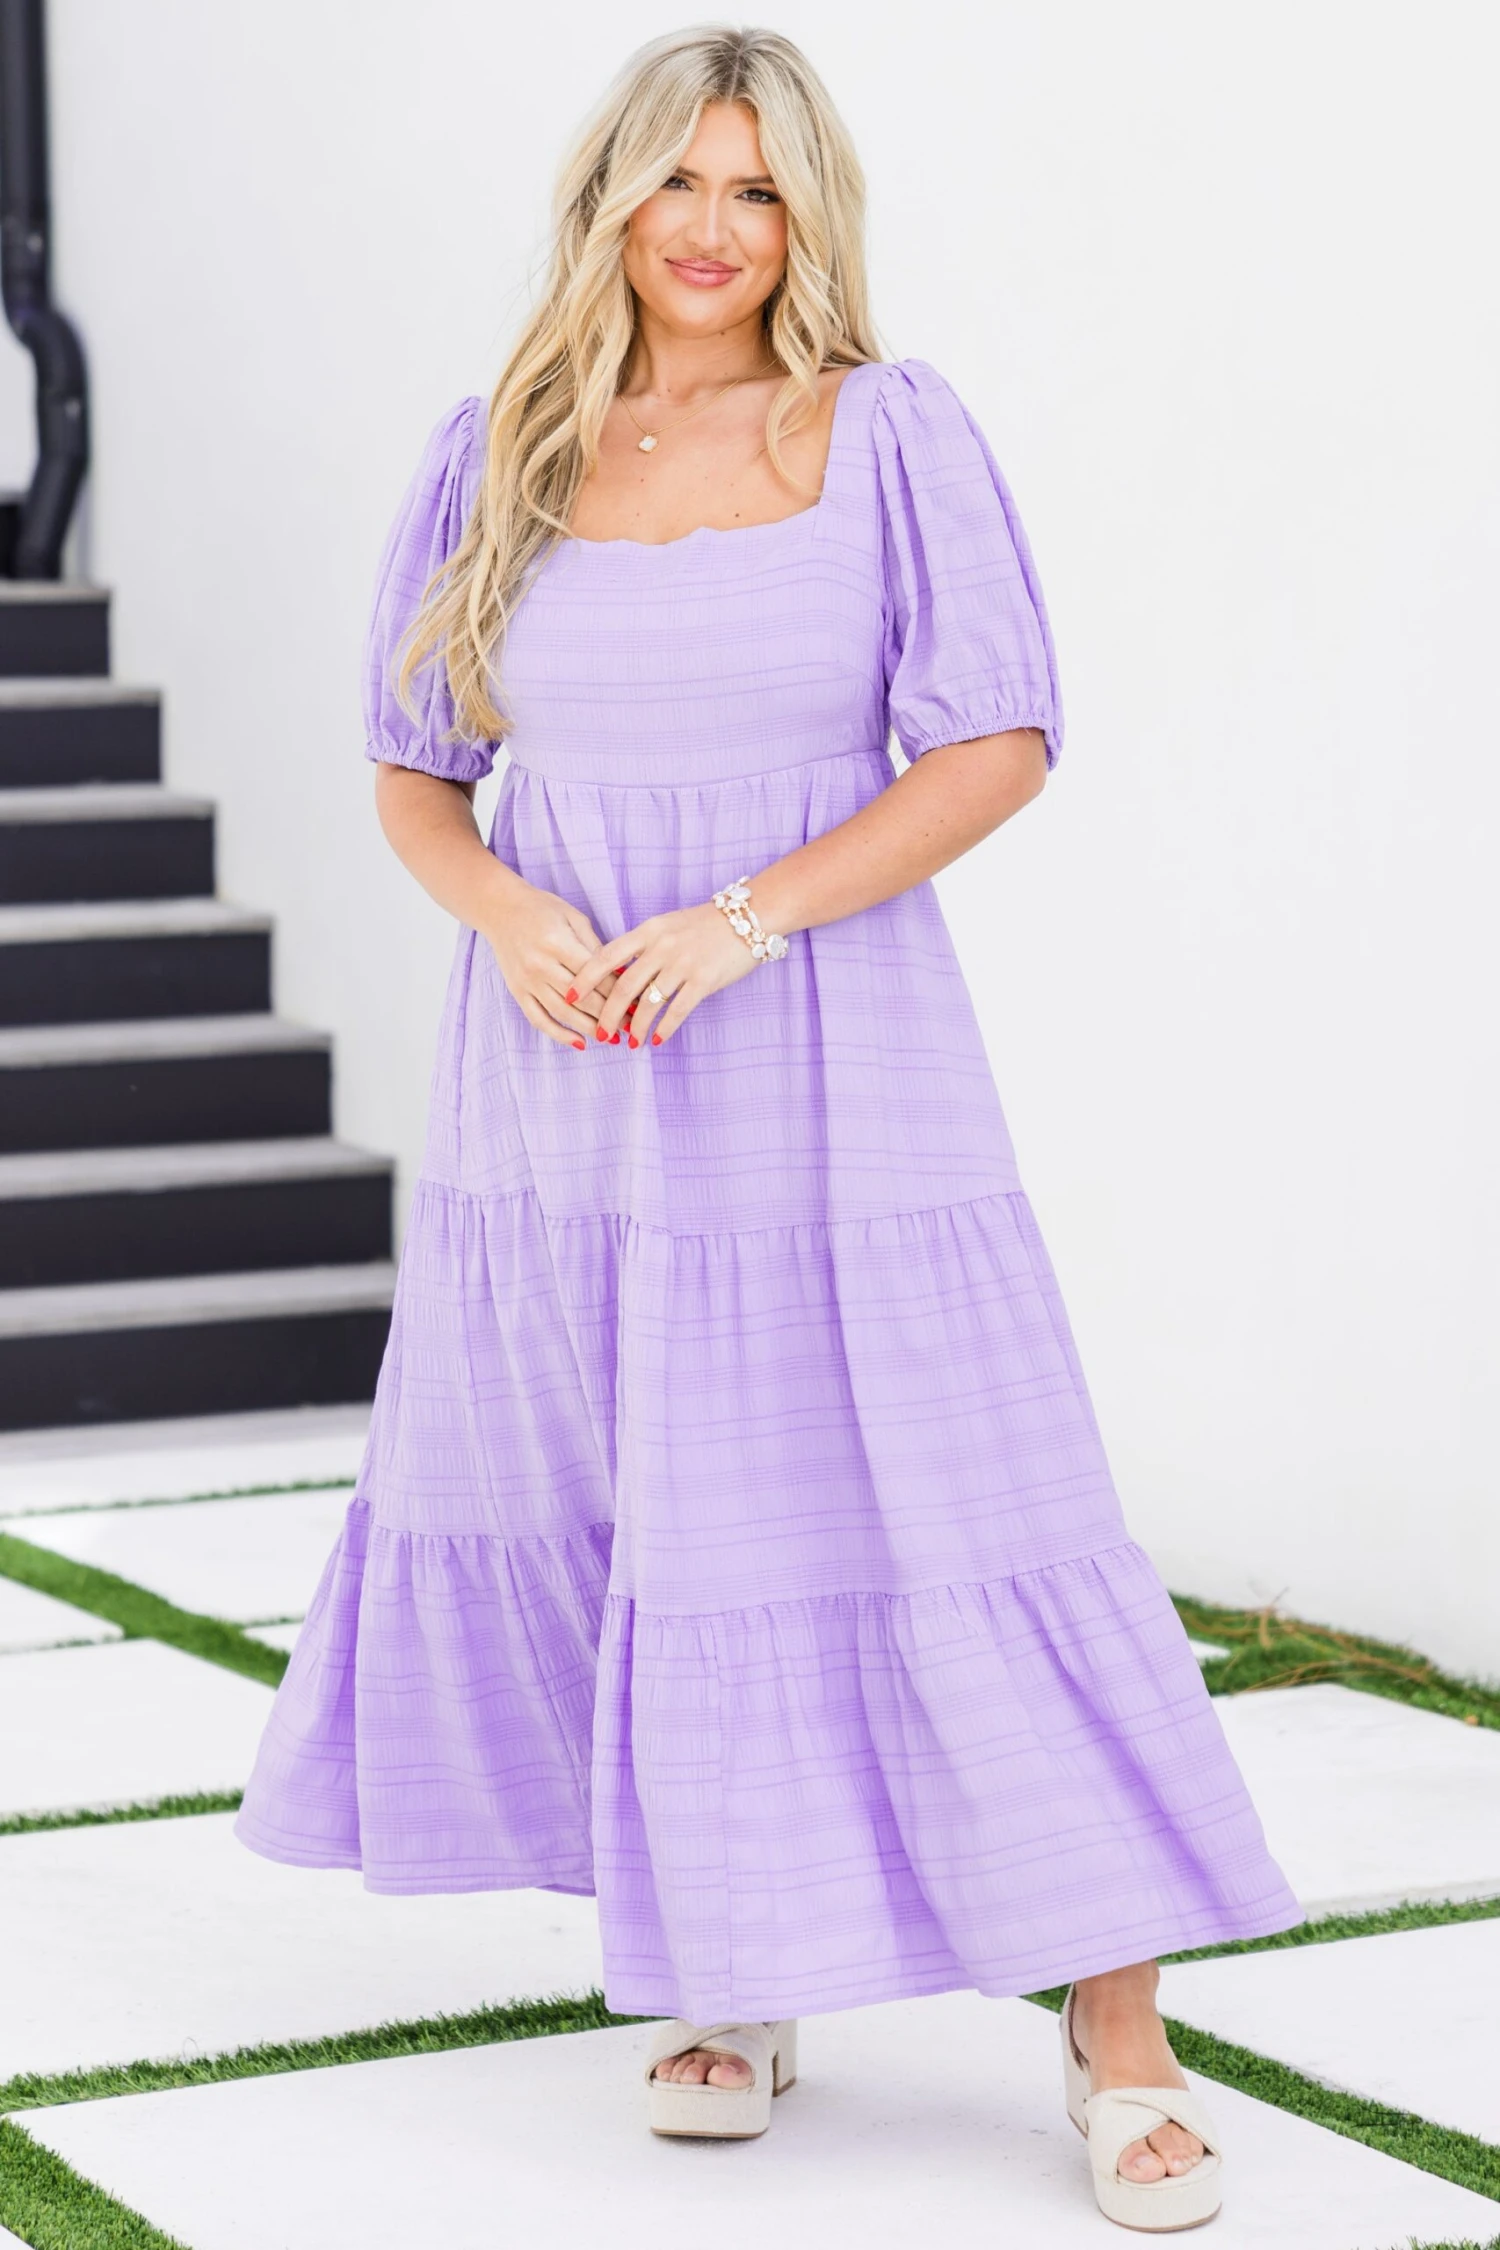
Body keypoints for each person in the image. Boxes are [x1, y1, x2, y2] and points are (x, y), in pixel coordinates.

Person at [237, 24, 1301, 2228]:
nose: (714, 230)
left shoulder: (888, 433)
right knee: (666, 1510)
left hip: (833, 1052)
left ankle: (1118, 2031)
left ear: (810, 220)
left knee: (977, 1501)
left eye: (758, 191)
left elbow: (998, 740)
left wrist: (743, 920)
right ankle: (736, 1962)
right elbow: (416, 772)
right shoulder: (500, 448)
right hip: (574, 1090)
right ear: (611, 199)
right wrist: (511, 911)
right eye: (679, 183)